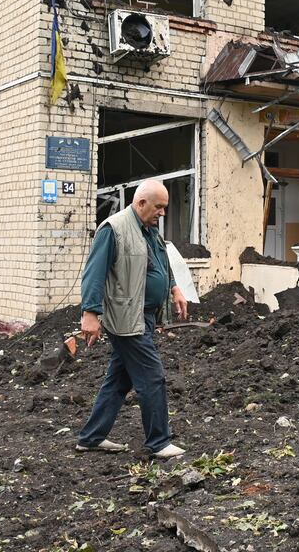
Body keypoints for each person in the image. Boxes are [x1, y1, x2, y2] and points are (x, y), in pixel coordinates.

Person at [75, 179, 189, 459]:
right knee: (152, 377)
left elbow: (161, 263)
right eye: (158, 207)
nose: (162, 213)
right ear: (141, 203)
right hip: (127, 318)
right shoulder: (113, 229)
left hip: (145, 317)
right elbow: (94, 273)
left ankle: (91, 437)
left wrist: (173, 287)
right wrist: (90, 313)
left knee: (119, 380)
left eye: (164, 208)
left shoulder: (149, 230)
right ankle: (159, 441)